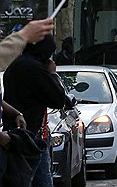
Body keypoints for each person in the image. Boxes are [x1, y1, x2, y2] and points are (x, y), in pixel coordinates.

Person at [3, 34, 70, 187]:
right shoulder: (35, 69)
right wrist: (53, 74)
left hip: (28, 136)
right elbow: (57, 99)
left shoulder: (16, 65)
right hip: (27, 139)